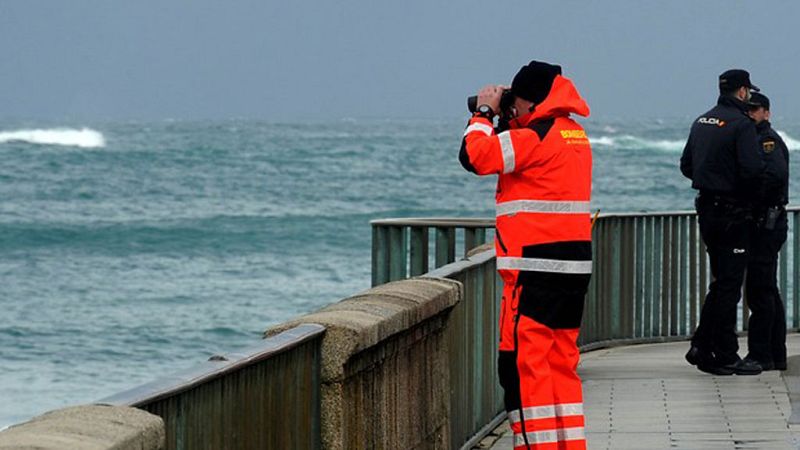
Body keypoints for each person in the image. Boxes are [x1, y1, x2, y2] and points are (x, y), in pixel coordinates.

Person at [459, 61, 592, 450]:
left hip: (532, 271)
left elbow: (477, 157)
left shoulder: (534, 137)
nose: (510, 109)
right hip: (571, 269)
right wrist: (510, 116)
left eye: (514, 103)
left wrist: (483, 113)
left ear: (529, 101)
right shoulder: (573, 134)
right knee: (559, 365)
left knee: (523, 368)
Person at [680, 69, 765, 376]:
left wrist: (712, 181)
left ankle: (702, 344)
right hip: (733, 213)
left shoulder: (702, 121)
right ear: (742, 92)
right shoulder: (741, 125)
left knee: (720, 282)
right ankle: (723, 352)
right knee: (729, 285)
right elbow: (753, 170)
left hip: (707, 211)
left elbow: (686, 165)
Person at [744, 91, 789, 371]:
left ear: (767, 112)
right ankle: (775, 353)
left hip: (767, 222)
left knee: (760, 289)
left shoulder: (767, 141)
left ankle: (761, 353)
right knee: (767, 288)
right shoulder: (752, 139)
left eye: (756, 109)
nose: (751, 114)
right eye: (748, 109)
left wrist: (750, 201)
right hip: (765, 221)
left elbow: (773, 178)